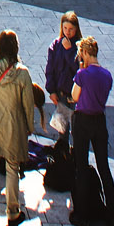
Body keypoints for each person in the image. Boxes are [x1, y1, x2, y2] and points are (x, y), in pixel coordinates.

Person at [0, 27, 43, 225]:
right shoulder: (22, 73)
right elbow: (28, 104)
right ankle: (13, 212)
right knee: (13, 168)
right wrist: (29, 126)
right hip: (14, 126)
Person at [69, 35, 114, 223]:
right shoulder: (107, 75)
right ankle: (111, 211)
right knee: (103, 166)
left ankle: (82, 212)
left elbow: (74, 96)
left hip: (82, 120)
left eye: (81, 54)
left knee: (81, 165)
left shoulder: (82, 74)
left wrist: (81, 71)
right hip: (99, 120)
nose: (81, 58)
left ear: (87, 53)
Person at [44, 12, 82, 193]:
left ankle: (76, 164)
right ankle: (63, 162)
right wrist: (50, 90)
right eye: (65, 28)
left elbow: (76, 69)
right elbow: (50, 69)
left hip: (74, 95)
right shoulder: (55, 45)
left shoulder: (78, 47)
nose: (68, 32)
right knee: (62, 130)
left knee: (76, 129)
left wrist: (68, 52)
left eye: (71, 29)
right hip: (60, 93)